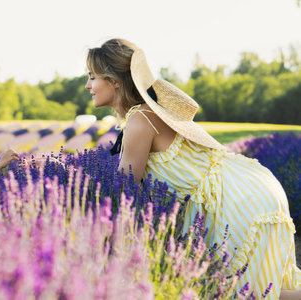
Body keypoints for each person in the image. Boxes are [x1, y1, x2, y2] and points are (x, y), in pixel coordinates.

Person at [85, 38, 300, 299]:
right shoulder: (145, 114)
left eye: (92, 77)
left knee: (244, 294)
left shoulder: (140, 121)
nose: (88, 86)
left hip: (235, 203)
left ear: (115, 81)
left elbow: (124, 191)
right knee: (266, 292)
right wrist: (47, 164)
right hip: (250, 188)